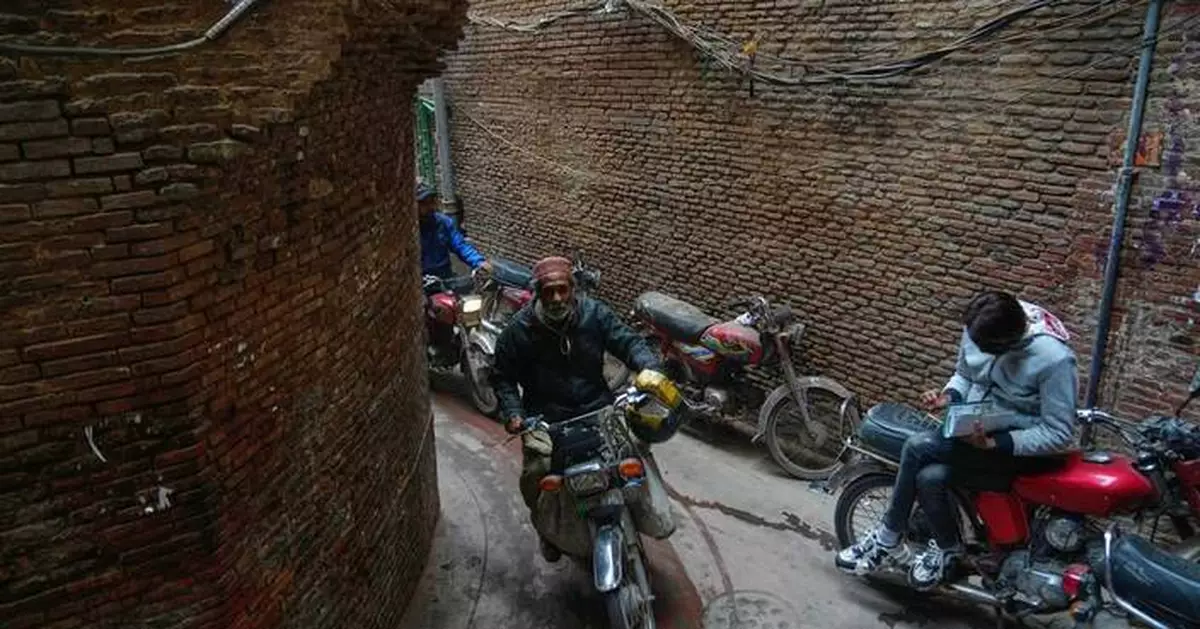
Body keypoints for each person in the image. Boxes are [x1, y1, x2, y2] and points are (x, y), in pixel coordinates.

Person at [836, 290, 1078, 589]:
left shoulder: (1054, 360)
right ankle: (950, 549)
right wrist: (947, 396)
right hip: (969, 434)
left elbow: (1059, 433)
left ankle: (887, 538)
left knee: (918, 446)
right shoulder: (979, 327)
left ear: (1008, 344)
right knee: (930, 477)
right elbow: (964, 375)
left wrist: (997, 444)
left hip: (1012, 451)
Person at [490, 256, 671, 561]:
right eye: (549, 292)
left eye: (563, 290)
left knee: (637, 447)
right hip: (546, 419)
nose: (557, 298)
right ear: (537, 292)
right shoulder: (518, 331)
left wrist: (650, 371)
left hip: (598, 407)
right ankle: (546, 529)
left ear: (573, 289)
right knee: (537, 472)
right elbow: (502, 377)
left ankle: (650, 512)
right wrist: (514, 413)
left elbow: (628, 342)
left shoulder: (594, 314)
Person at [417, 181, 490, 284]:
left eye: (431, 202)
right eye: (424, 203)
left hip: (443, 277)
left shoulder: (443, 222)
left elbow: (460, 245)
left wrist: (479, 262)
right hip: (421, 280)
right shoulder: (411, 229)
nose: (430, 207)